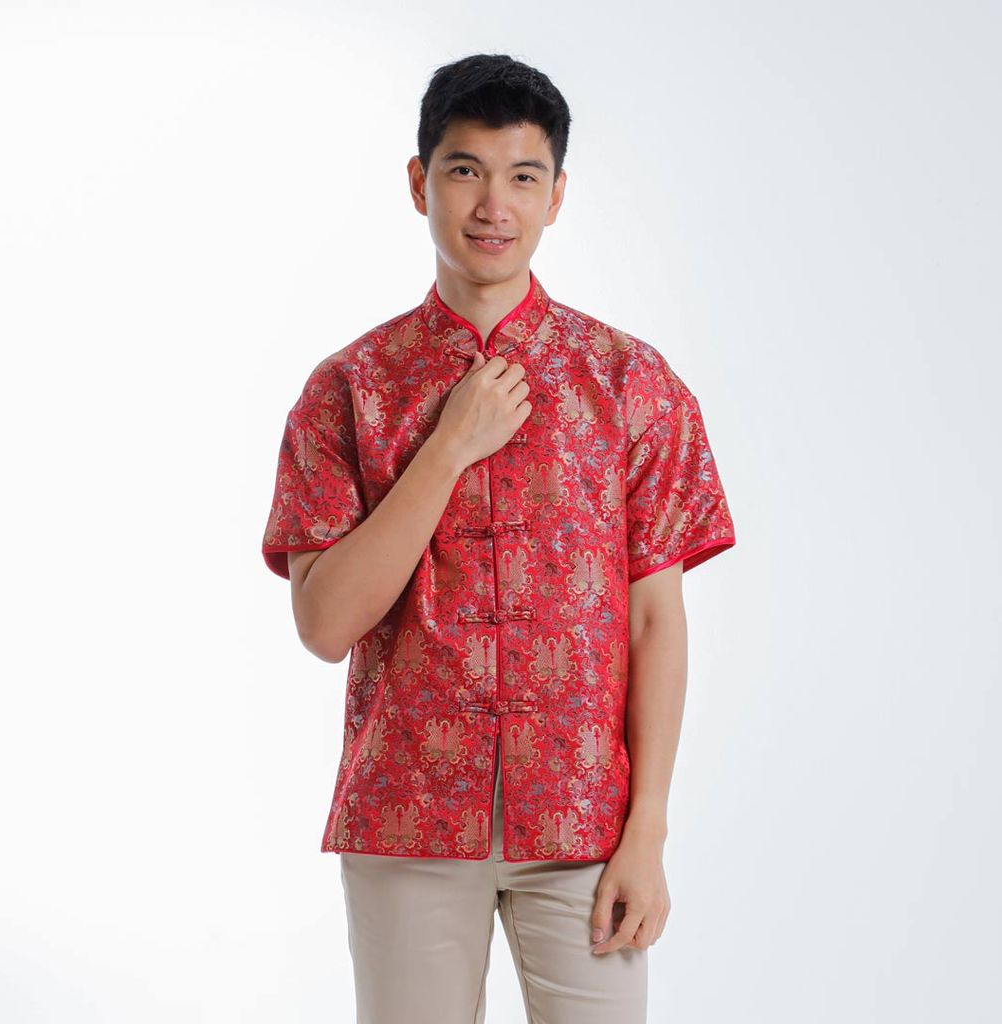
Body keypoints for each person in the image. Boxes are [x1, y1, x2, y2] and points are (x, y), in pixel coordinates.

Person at [261, 52, 736, 1024]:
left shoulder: (631, 384)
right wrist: (448, 447)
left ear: (556, 195)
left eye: (522, 176)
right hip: (406, 823)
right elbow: (324, 623)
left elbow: (655, 622)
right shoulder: (348, 389)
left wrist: (646, 832)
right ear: (419, 182)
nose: (492, 205)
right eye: (464, 170)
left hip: (585, 826)